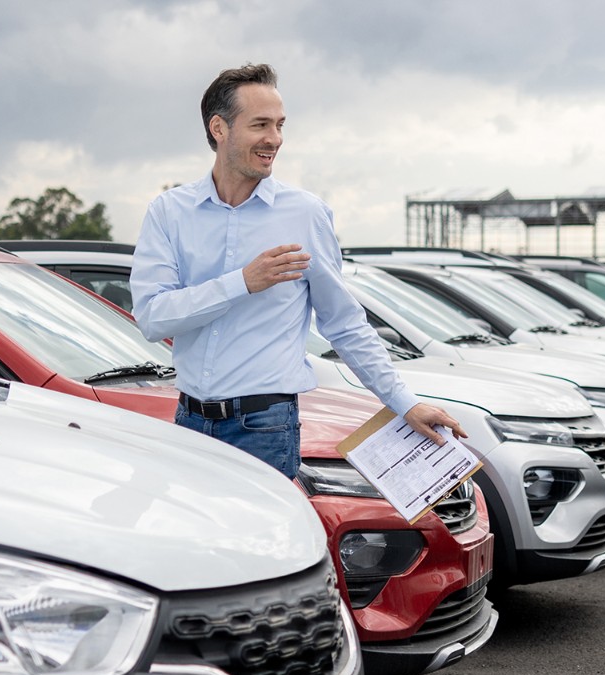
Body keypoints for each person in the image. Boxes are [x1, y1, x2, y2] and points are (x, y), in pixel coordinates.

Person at [131, 63, 462, 478]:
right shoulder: (169, 212)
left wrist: (405, 402)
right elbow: (152, 316)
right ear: (219, 128)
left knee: (261, 544)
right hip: (189, 422)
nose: (275, 139)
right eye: (260, 125)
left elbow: (344, 324)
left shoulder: (305, 214)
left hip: (264, 428)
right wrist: (242, 283)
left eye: (280, 125)